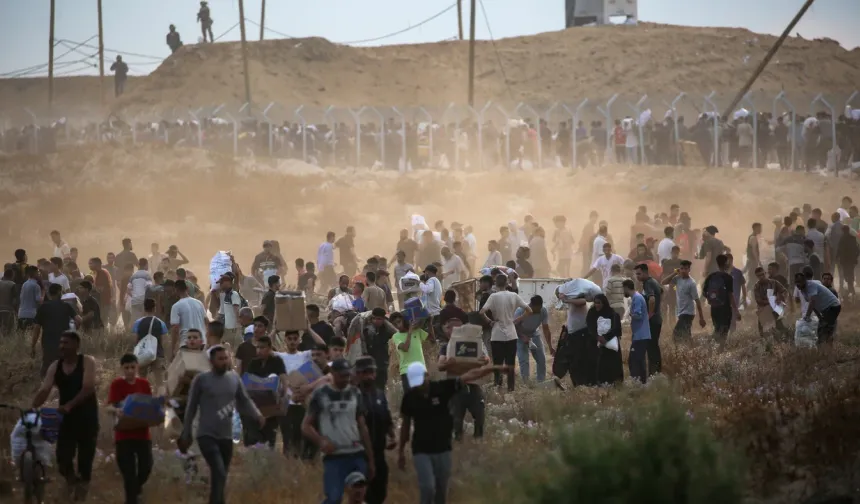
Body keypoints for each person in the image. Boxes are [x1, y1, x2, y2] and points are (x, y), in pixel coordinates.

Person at [398, 361, 505, 504]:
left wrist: (493, 368)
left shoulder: (442, 388)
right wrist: (400, 451)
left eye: (421, 381)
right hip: (421, 450)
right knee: (428, 487)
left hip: (443, 449)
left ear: (427, 375)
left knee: (442, 491)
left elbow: (469, 375)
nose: (419, 386)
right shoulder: (409, 398)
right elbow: (405, 425)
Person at [178, 345, 265, 504]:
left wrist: (257, 414)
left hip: (226, 435)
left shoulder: (234, 378)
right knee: (218, 471)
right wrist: (186, 430)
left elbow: (244, 400)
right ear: (211, 361)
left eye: (226, 358)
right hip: (206, 434)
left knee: (222, 475)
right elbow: (191, 406)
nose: (224, 362)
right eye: (220, 359)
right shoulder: (201, 380)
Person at [31, 331, 98, 501]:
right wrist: (32, 407)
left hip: (87, 418)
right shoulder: (55, 366)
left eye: (66, 343)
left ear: (76, 345)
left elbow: (88, 387)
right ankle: (71, 482)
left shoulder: (87, 362)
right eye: (60, 342)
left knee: (85, 461)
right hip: (66, 419)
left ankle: (80, 495)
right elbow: (45, 389)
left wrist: (69, 405)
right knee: (62, 458)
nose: (61, 346)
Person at [302, 359, 376, 504]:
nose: (346, 379)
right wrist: (321, 441)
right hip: (334, 457)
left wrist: (371, 459)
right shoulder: (321, 394)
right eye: (342, 375)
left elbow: (362, 426)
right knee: (334, 498)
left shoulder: (355, 393)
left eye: (348, 375)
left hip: (356, 454)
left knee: (358, 497)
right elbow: (305, 426)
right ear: (333, 374)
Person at [107, 353, 154, 504]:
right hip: (123, 436)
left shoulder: (144, 384)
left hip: (142, 435)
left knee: (146, 468)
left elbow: (150, 404)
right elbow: (109, 406)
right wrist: (117, 411)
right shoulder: (117, 384)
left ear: (137, 367)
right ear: (122, 368)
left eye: (132, 367)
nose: (129, 370)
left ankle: (137, 488)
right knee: (128, 474)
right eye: (126, 368)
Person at [479, 274, 531, 392]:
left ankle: (497, 386)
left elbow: (481, 312)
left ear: (495, 284)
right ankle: (511, 388)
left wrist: (490, 322)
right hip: (511, 333)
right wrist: (516, 320)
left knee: (497, 363)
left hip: (497, 334)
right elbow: (529, 310)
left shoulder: (493, 296)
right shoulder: (514, 295)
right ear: (507, 283)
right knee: (510, 363)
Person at [355, 356, 395, 504]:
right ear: (358, 374)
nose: (369, 376)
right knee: (363, 495)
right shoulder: (353, 395)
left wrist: (392, 436)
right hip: (359, 454)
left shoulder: (379, 394)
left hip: (379, 452)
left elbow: (386, 416)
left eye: (371, 372)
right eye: (365, 372)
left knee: (380, 493)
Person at [244, 336, 288, 448]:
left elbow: (283, 379)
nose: (259, 350)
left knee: (269, 436)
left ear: (269, 348)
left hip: (272, 404)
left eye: (262, 347)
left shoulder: (276, 361)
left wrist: (284, 396)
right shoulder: (253, 363)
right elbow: (247, 381)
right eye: (257, 347)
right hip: (256, 403)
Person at [32, 283, 81, 376]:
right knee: (65, 366)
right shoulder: (66, 306)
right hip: (65, 341)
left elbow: (37, 328)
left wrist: (33, 345)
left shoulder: (43, 307)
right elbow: (78, 320)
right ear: (60, 293)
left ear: (49, 293)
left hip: (48, 342)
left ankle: (45, 385)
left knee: (47, 367)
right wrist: (74, 333)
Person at [661, 260, 706, 342]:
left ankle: (683, 350)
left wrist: (701, 318)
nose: (683, 271)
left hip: (688, 313)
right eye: (681, 268)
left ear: (689, 270)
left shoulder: (691, 283)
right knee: (686, 335)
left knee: (676, 334)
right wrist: (674, 273)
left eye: (685, 269)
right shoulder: (677, 279)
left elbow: (697, 300)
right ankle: (692, 349)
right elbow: (663, 282)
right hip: (681, 312)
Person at [514, 295, 553, 383]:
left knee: (541, 359)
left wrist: (550, 346)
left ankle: (541, 381)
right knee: (524, 360)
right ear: (531, 306)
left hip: (534, 334)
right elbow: (513, 326)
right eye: (537, 309)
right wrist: (523, 337)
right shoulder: (520, 311)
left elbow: (546, 329)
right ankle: (526, 383)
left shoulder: (543, 310)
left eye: (540, 308)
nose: (539, 311)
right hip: (520, 336)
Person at [586, 294, 623, 385]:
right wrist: (597, 337)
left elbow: (616, 328)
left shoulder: (612, 313)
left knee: (612, 365)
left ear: (604, 303)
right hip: (596, 344)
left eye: (599, 303)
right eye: (595, 303)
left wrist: (606, 338)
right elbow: (590, 327)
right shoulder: (592, 313)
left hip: (610, 344)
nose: (596, 305)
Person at [702, 254, 740, 344]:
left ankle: (712, 346)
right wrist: (737, 311)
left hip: (714, 308)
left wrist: (710, 300)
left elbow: (704, 292)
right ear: (726, 263)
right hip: (725, 308)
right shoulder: (728, 277)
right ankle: (718, 348)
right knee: (724, 331)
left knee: (717, 328)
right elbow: (731, 295)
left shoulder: (711, 276)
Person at [795, 273, 841, 345]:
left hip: (832, 307)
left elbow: (812, 301)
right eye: (796, 282)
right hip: (825, 309)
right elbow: (814, 306)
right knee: (822, 327)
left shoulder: (810, 285)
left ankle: (827, 348)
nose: (798, 284)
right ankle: (823, 348)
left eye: (800, 282)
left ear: (804, 281)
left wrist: (807, 316)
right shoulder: (802, 290)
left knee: (824, 329)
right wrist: (820, 317)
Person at [634, 263, 663, 377]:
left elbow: (651, 299)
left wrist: (649, 315)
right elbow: (661, 291)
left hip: (653, 320)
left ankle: (654, 373)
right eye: (636, 274)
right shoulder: (653, 281)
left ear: (646, 272)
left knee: (651, 347)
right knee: (653, 346)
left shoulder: (648, 283)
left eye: (639, 274)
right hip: (657, 319)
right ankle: (656, 372)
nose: (637, 276)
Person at [170, 280, 208, 358]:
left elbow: (175, 328)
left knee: (189, 369)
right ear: (187, 288)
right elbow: (207, 322)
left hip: (187, 343)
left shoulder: (176, 306)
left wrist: (172, 348)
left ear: (175, 290)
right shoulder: (199, 303)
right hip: (202, 342)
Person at [623, 279, 650, 383]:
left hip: (641, 335)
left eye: (623, 289)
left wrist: (630, 316)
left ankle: (636, 382)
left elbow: (638, 315)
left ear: (626, 288)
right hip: (640, 334)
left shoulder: (637, 298)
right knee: (640, 361)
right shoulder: (636, 297)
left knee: (633, 360)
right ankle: (643, 383)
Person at [392, 317, 429, 391]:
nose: (397, 325)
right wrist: (410, 332)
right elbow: (405, 348)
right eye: (395, 324)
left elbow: (432, 339)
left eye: (399, 322)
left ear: (404, 321)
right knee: (410, 398)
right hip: (406, 370)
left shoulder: (417, 331)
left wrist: (430, 323)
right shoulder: (396, 336)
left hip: (421, 369)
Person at [18, 265, 42, 330]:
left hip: (21, 314)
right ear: (35, 273)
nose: (39, 274)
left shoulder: (24, 284)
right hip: (31, 315)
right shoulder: (36, 286)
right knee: (30, 337)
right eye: (38, 272)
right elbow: (38, 300)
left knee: (22, 337)